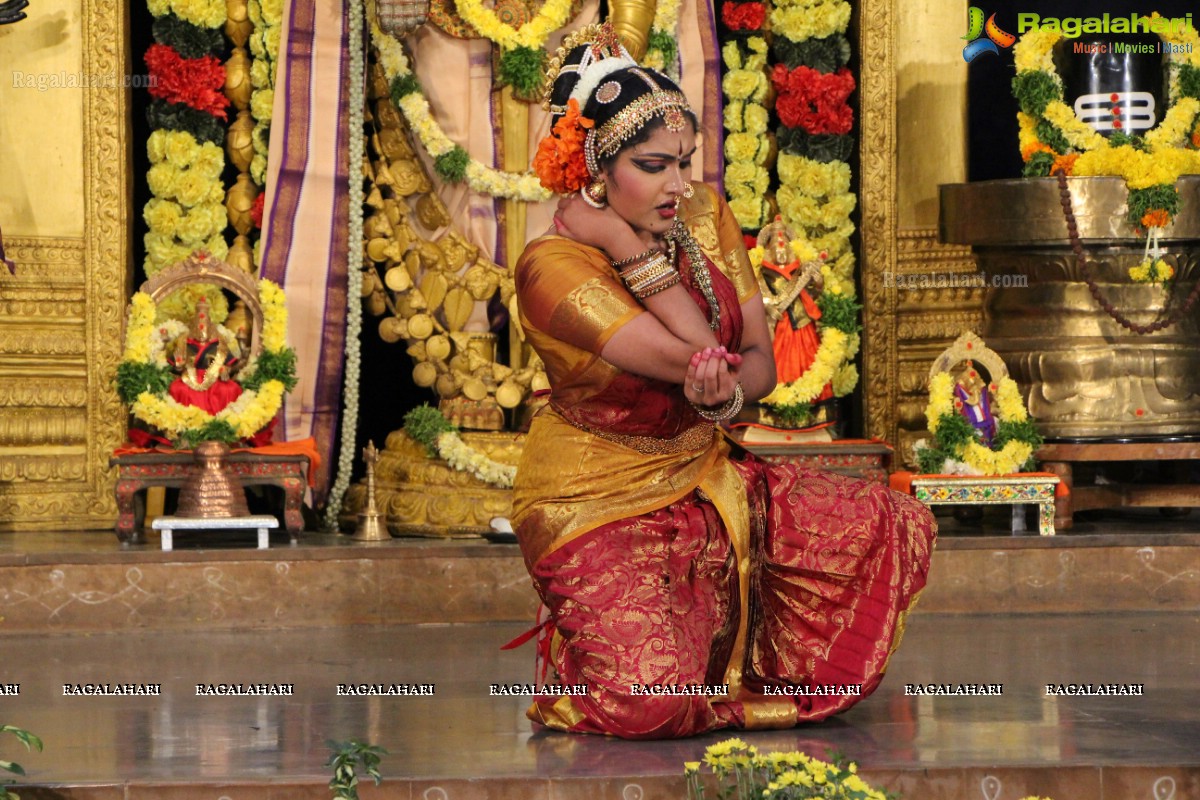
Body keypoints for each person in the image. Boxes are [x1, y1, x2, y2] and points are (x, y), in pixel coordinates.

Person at [511, 24, 936, 740]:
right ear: (594, 168)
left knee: (887, 522)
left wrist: (731, 397)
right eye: (654, 166)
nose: (679, 184)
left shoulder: (701, 214)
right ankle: (591, 671)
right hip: (592, 498)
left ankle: (706, 654)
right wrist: (623, 245)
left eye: (684, 161)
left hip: (706, 472)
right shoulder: (550, 268)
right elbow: (692, 355)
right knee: (651, 703)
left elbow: (753, 366)